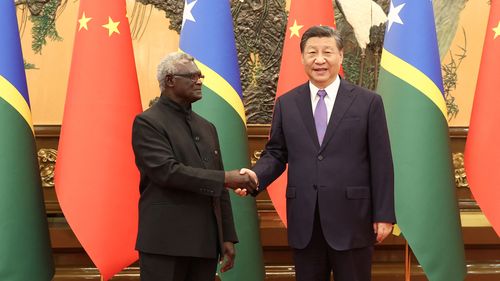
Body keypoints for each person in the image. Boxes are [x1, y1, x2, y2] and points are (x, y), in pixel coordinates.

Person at [239, 26, 395, 281]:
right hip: (306, 222)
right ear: (302, 58)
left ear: (341, 56)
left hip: (353, 219)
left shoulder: (368, 102)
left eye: (327, 52)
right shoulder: (287, 103)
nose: (319, 60)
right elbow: (276, 153)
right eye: (312, 52)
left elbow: (381, 161)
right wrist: (255, 176)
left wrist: (384, 214)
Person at [132, 52, 257, 281]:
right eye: (191, 76)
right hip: (165, 244)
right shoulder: (147, 122)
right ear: (170, 80)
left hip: (204, 243)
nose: (199, 81)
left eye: (200, 76)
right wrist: (225, 178)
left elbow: (218, 185)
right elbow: (167, 172)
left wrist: (226, 236)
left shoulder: (207, 127)